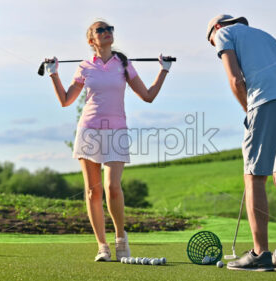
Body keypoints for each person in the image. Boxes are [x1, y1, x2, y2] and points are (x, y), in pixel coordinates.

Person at [44, 20, 171, 262]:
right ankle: (102, 246)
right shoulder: (84, 67)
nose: (107, 32)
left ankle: (120, 237)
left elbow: (147, 96)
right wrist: (53, 74)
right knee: (93, 191)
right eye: (100, 30)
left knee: (113, 188)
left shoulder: (123, 64)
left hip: (116, 132)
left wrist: (163, 70)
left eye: (109, 29)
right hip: (89, 131)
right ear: (91, 40)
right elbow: (65, 100)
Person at [206, 14, 276, 271]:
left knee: (254, 178)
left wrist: (247, 110)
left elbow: (235, 79)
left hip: (265, 100)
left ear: (216, 29)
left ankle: (260, 254)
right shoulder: (266, 36)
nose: (215, 45)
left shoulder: (223, 34)